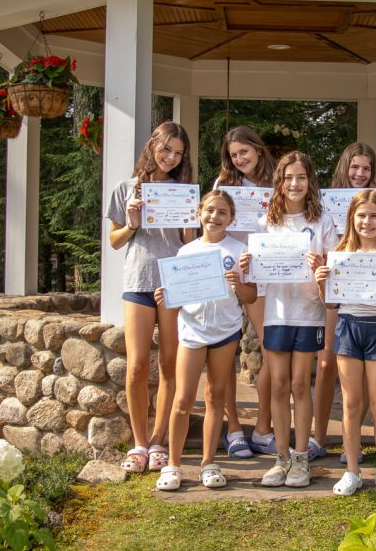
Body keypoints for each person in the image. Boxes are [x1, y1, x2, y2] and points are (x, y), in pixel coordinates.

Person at [241, 151, 337, 487]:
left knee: (299, 384)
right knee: (279, 383)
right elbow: (256, 275)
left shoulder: (322, 221)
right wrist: (248, 266)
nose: (294, 184)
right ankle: (281, 458)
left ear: (310, 181)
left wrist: (322, 266)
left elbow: (333, 267)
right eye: (288, 178)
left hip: (308, 313)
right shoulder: (266, 223)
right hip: (277, 314)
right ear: (279, 182)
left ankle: (301, 458)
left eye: (301, 177)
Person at [154, 190, 258, 491]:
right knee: (183, 400)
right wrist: (165, 297)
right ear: (199, 213)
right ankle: (173, 464)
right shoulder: (186, 252)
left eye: (222, 212)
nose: (215, 216)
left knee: (215, 397)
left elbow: (251, 295)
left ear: (231, 218)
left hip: (225, 331)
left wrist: (238, 283)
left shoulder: (239, 250)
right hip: (192, 332)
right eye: (210, 210)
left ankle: (208, 462)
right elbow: (176, 300)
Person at [314, 189, 376, 498]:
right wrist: (321, 283)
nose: (367, 222)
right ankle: (352, 471)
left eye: (374, 216)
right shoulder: (340, 250)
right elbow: (331, 304)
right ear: (351, 218)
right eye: (361, 216)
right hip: (348, 327)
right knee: (352, 404)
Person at [108, 122, 195, 473]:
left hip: (174, 282)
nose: (171, 157)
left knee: (170, 365)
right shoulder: (125, 189)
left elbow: (188, 244)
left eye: (178, 153)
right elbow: (114, 241)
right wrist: (132, 223)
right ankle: (139, 443)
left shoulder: (184, 191)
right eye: (166, 149)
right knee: (137, 366)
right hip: (138, 281)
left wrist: (189, 221)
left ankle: (159, 439)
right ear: (153, 145)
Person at [310, 142, 376, 464]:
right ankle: (318, 436)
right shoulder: (325, 200)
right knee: (326, 362)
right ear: (345, 168)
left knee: (364, 368)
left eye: (366, 168)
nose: (360, 173)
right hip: (336, 283)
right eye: (355, 167)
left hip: (366, 292)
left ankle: (351, 443)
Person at [213, 125, 276, 458]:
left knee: (270, 349)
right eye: (233, 155)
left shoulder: (276, 184)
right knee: (223, 347)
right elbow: (211, 225)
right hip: (227, 271)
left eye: (244, 152)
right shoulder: (224, 185)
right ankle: (234, 428)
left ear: (258, 149)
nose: (239, 159)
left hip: (263, 274)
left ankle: (263, 428)